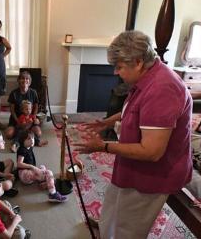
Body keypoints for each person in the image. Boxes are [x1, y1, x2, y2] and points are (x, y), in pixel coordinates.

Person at [73, 30, 193, 238]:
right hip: (133, 166)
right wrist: (110, 121)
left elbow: (152, 152)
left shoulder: (163, 89)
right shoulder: (149, 75)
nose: (115, 73)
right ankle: (106, 227)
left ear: (137, 62)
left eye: (119, 67)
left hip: (153, 174)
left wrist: (103, 146)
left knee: (128, 228)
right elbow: (138, 108)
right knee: (114, 202)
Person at [16, 130, 67, 203]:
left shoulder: (29, 147)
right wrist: (32, 167)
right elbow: (19, 164)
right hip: (24, 175)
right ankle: (53, 194)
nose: (32, 140)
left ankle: (44, 183)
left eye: (33, 138)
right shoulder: (22, 150)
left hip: (27, 172)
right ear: (22, 141)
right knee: (49, 173)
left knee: (42, 167)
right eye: (29, 139)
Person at [5, 71, 45, 151]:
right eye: (22, 78)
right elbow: (12, 111)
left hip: (30, 119)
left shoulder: (33, 92)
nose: (24, 80)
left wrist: (33, 118)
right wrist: (18, 122)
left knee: (38, 133)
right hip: (17, 119)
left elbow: (36, 106)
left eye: (27, 79)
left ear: (29, 82)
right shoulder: (14, 93)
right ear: (18, 80)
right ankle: (21, 136)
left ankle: (26, 134)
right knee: (9, 134)